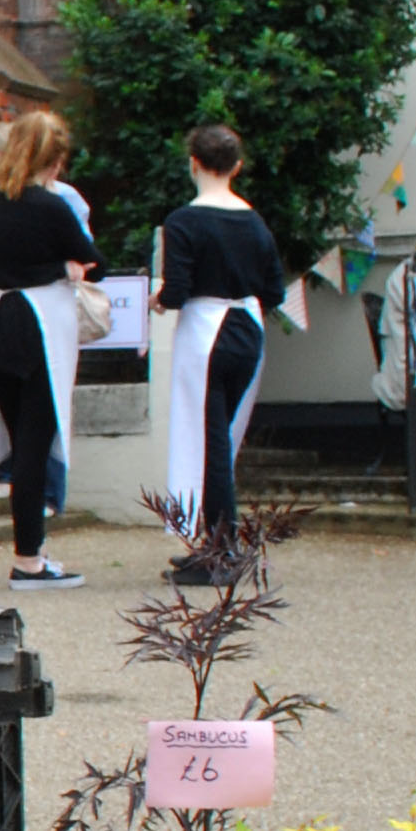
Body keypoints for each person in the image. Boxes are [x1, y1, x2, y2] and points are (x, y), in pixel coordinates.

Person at [0, 106, 100, 590]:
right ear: (54, 160)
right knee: (34, 444)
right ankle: (29, 559)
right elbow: (93, 259)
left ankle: (32, 552)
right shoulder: (51, 207)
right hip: (39, 324)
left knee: (20, 441)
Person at [158, 122, 284, 583]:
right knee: (222, 442)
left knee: (208, 444)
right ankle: (217, 543)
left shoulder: (184, 221)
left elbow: (177, 293)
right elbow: (274, 289)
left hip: (206, 335)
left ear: (194, 163)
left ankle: (220, 552)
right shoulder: (255, 222)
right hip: (247, 331)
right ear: (237, 166)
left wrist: (158, 299)